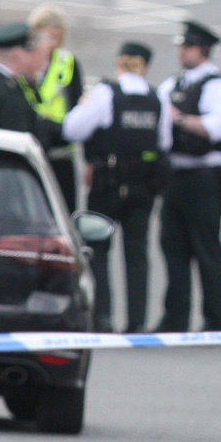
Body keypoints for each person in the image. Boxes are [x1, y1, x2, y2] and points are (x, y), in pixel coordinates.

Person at [63, 40, 163, 332]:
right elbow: (165, 142)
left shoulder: (107, 94)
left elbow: (73, 129)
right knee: (137, 254)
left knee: (98, 249)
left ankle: (102, 318)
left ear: (120, 63)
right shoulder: (157, 99)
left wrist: (82, 107)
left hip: (107, 183)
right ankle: (137, 321)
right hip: (144, 186)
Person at [154, 20, 221, 333]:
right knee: (172, 246)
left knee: (206, 249)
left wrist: (179, 119)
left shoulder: (219, 86)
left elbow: (219, 128)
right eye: (180, 46)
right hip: (174, 175)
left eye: (187, 46)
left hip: (205, 177)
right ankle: (174, 318)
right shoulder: (172, 85)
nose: (181, 52)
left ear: (202, 49)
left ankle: (214, 321)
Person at [23, 3, 84, 208]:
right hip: (31, 144)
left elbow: (76, 104)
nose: (54, 43)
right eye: (49, 36)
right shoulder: (23, 61)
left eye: (58, 37)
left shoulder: (67, 62)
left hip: (60, 149)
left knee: (64, 209)